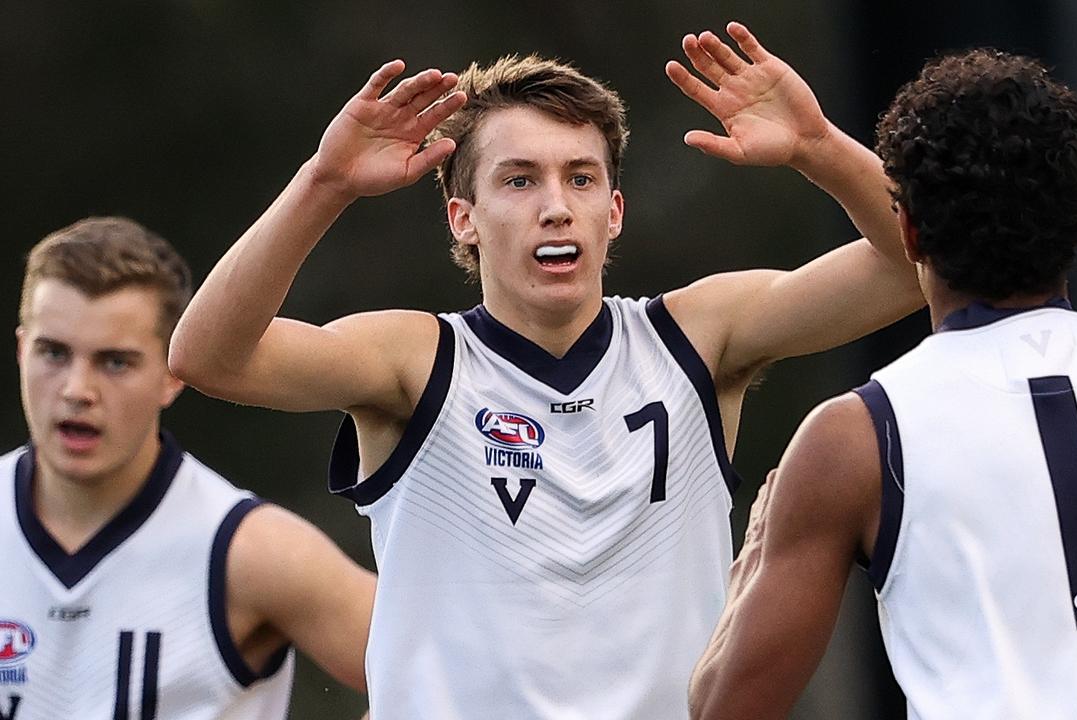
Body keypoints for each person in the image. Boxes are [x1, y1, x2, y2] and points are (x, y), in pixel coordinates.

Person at [168, 23, 921, 718]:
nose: (556, 207)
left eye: (581, 179)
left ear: (614, 210)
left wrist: (818, 145)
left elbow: (918, 266)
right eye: (519, 180)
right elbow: (207, 358)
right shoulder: (414, 360)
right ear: (463, 217)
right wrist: (322, 184)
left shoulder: (697, 336)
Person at [688, 48, 1077, 720]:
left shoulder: (852, 439)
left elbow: (727, 709)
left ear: (905, 231)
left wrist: (756, 552)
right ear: (1076, 216)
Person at [1, 217, 375, 719]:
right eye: (53, 353)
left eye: (115, 362)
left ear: (172, 374)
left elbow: (453, 674)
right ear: (22, 350)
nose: (76, 390)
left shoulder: (250, 551)